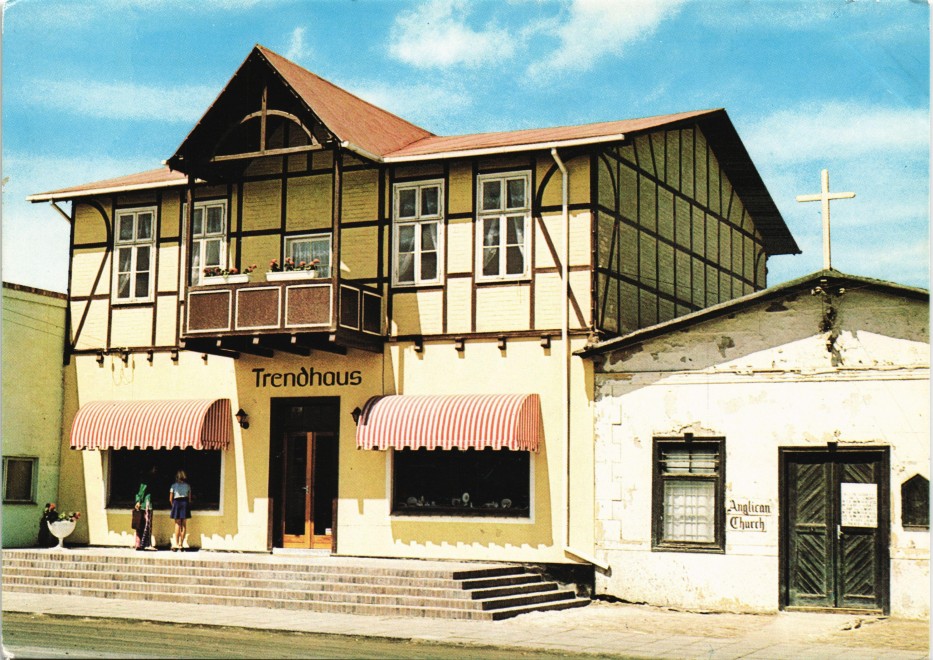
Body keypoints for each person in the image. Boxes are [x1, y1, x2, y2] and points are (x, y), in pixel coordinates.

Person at [169, 470, 192, 551]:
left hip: (176, 503)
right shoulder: (187, 486)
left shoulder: (173, 486)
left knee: (177, 524)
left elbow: (170, 499)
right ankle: (181, 544)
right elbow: (189, 499)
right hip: (185, 503)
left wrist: (173, 506)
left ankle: (176, 543)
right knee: (184, 524)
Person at [133, 480, 154, 550]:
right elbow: (141, 492)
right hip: (146, 505)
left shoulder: (142, 481)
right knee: (147, 525)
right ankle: (145, 544)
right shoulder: (145, 481)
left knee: (139, 524)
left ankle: (138, 543)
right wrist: (138, 501)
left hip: (142, 505)